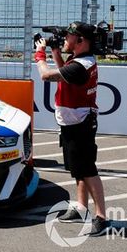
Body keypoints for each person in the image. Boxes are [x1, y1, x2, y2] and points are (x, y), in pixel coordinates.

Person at [34, 21, 108, 237]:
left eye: (68, 37)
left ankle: (102, 217)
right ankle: (81, 207)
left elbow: (46, 76)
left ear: (81, 41)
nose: (65, 40)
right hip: (73, 122)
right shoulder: (78, 61)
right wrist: (56, 51)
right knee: (77, 168)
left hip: (80, 124)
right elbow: (63, 72)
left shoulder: (80, 66)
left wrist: (40, 54)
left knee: (88, 169)